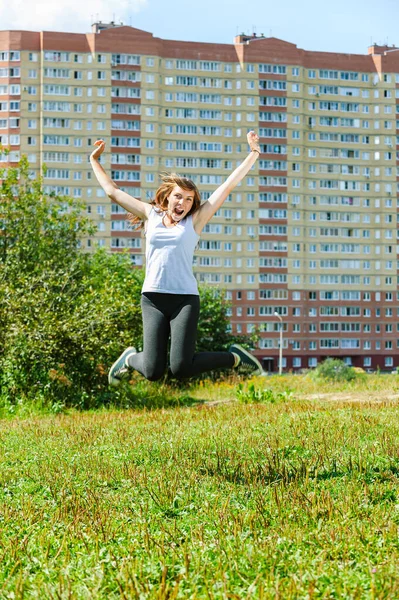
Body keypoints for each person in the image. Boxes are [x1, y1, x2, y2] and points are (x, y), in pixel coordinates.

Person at [90, 131, 264, 385]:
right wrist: (94, 160)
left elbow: (227, 185)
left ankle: (235, 358)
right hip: (152, 298)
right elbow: (112, 192)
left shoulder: (195, 221)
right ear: (167, 197)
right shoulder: (151, 215)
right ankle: (129, 360)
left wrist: (254, 153)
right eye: (178, 197)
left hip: (185, 299)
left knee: (181, 368)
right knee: (153, 371)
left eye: (189, 199)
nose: (182, 202)